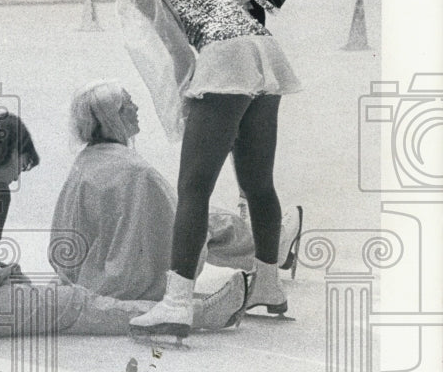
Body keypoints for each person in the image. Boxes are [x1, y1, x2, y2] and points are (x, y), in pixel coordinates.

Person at [79, 0, 301, 338]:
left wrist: (186, 101)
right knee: (258, 183)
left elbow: (177, 55)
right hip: (262, 51)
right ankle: (269, 285)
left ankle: (177, 303)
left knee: (192, 190)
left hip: (224, 62)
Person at [0, 113, 246, 339]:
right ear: (9, 155)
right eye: (21, 167)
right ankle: (202, 315)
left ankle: (184, 310)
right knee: (71, 302)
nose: (15, 179)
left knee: (43, 293)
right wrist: (5, 276)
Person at [51, 80, 303, 301]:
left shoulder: (86, 160)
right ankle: (273, 249)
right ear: (111, 118)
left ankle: (272, 251)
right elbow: (176, 221)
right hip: (119, 274)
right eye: (127, 104)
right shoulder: (136, 170)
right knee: (217, 223)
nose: (136, 108)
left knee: (216, 222)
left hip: (91, 271)